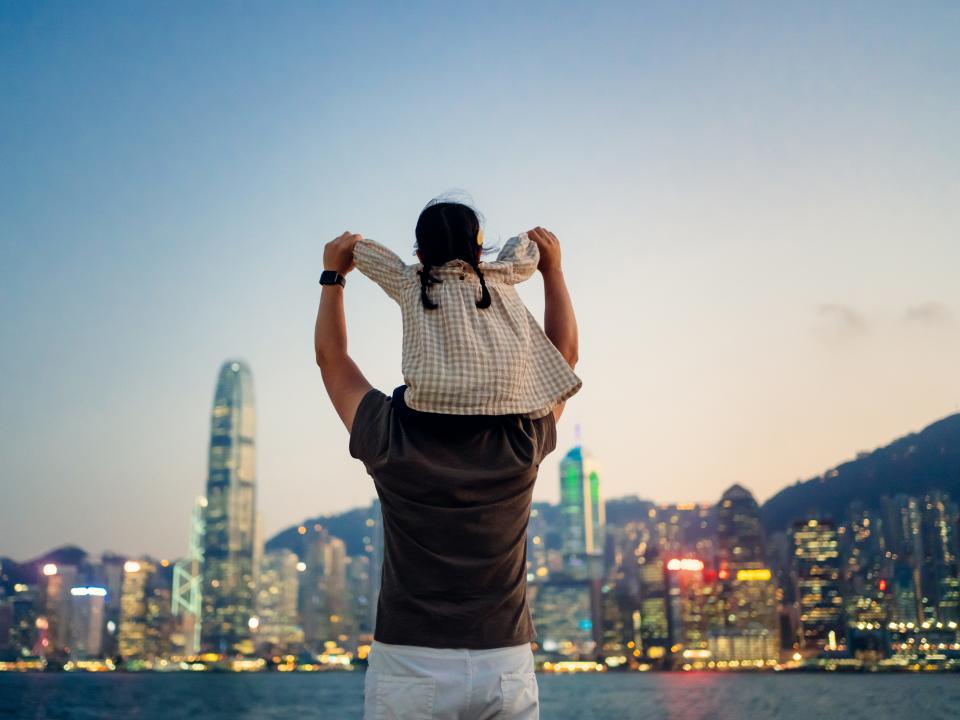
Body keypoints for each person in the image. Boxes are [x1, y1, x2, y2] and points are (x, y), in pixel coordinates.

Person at [314, 202, 579, 720]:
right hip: (504, 661)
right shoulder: (521, 437)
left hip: (409, 661)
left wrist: (333, 278)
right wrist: (553, 271)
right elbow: (563, 358)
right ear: (481, 254)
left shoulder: (389, 432)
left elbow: (332, 360)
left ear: (417, 257)